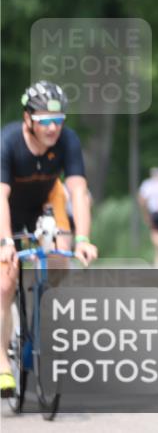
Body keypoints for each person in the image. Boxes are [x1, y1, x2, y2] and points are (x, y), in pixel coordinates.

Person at [0, 81, 99, 397]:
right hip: (6, 209)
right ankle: (2, 361)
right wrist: (5, 242)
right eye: (44, 121)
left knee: (61, 259)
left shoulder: (67, 140)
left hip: (44, 205)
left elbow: (78, 191)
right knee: (4, 282)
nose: (53, 127)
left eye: (58, 120)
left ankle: (39, 320)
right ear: (28, 118)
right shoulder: (7, 142)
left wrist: (83, 238)